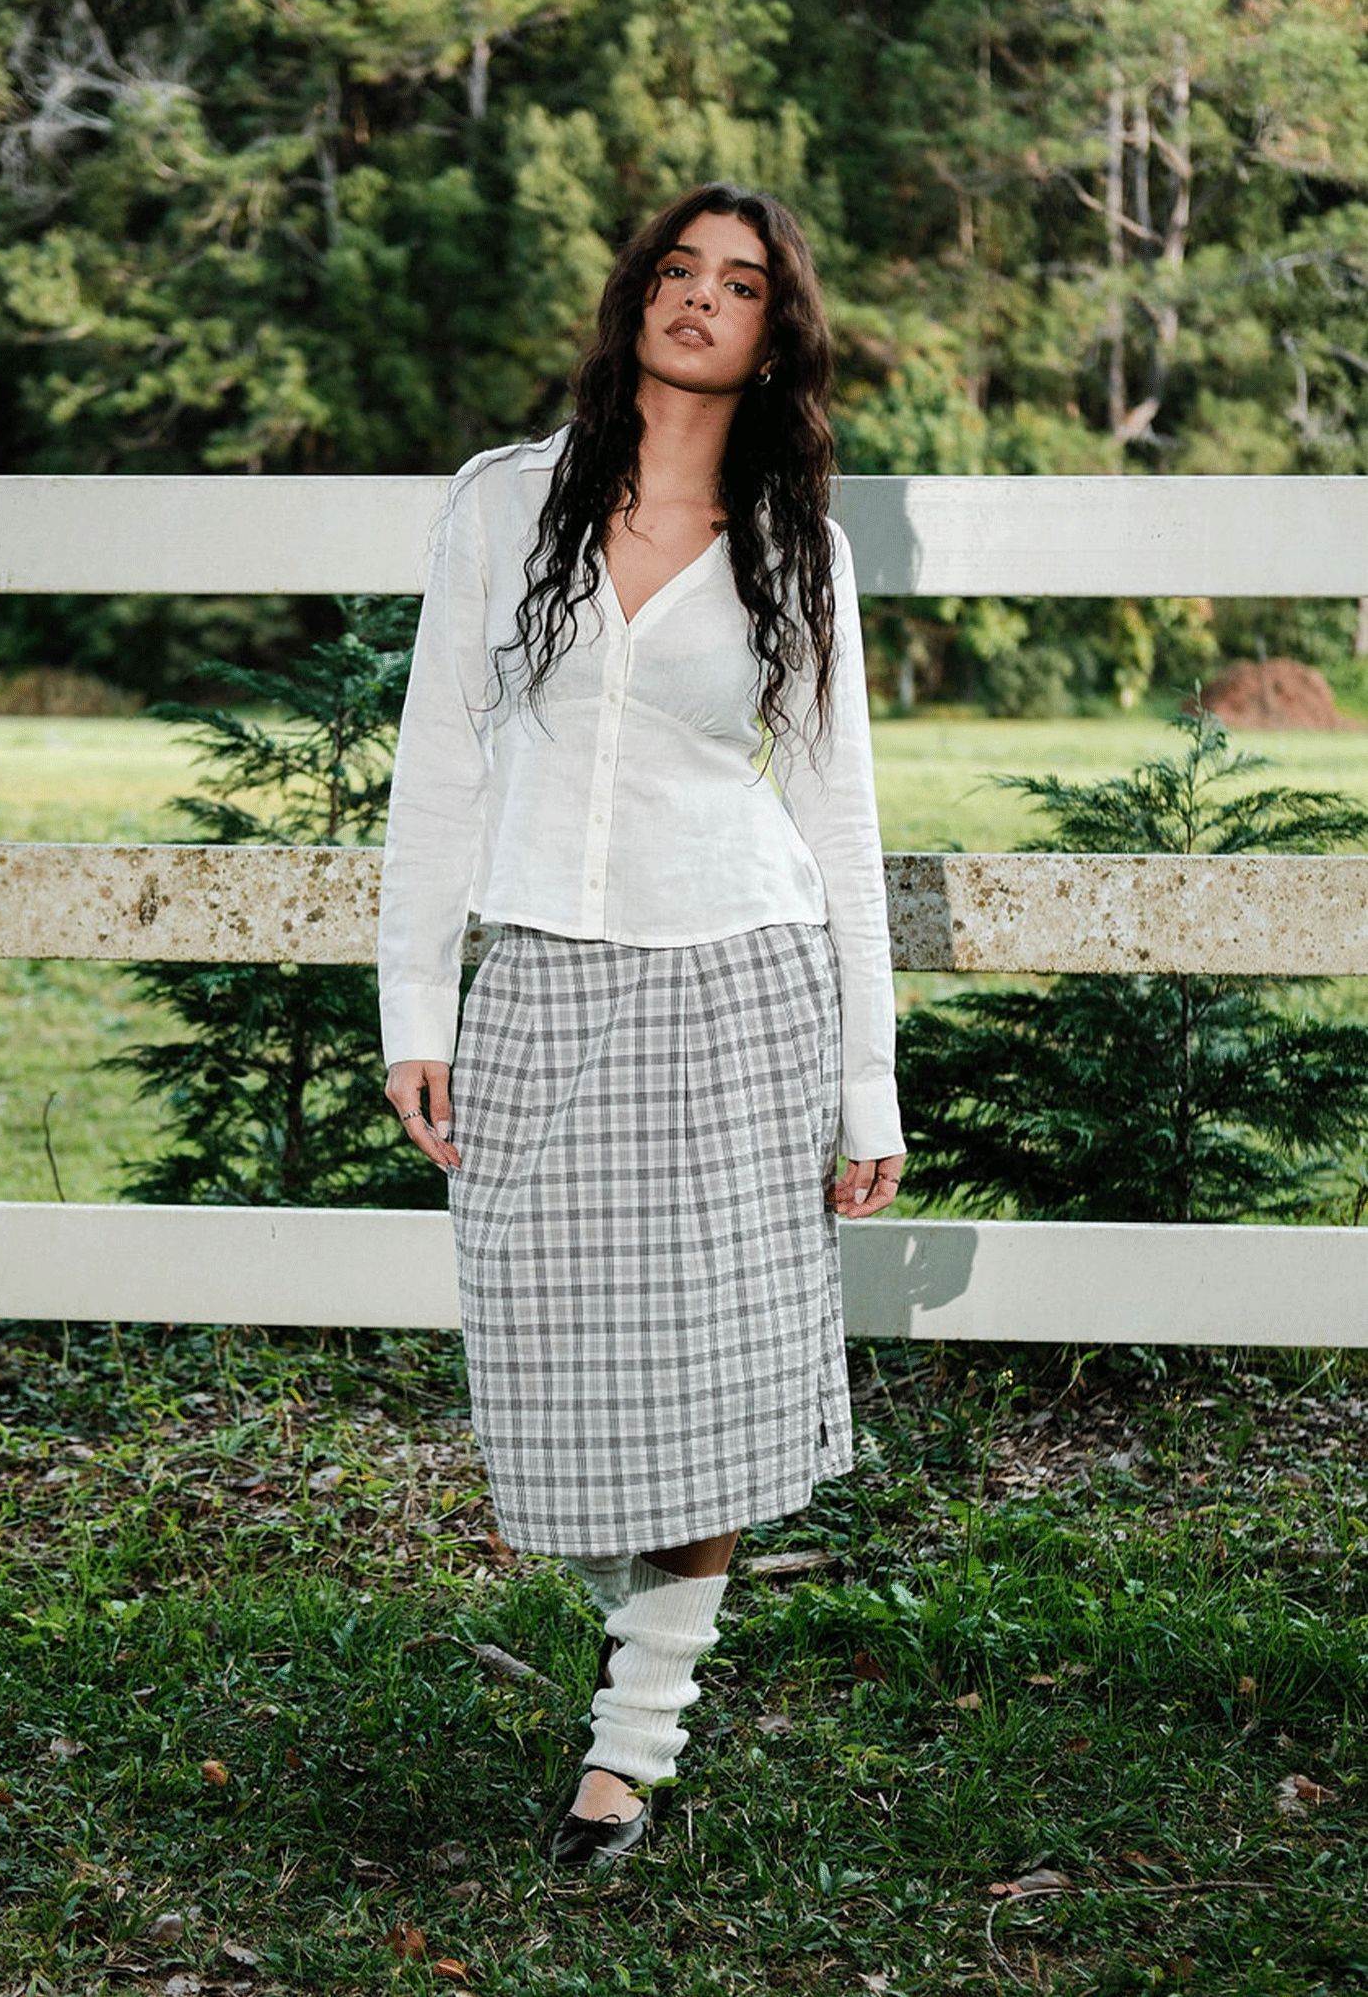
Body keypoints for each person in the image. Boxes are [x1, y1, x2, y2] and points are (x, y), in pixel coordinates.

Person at [378, 181, 905, 1867]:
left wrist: (869, 1085)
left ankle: (632, 1741)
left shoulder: (795, 545)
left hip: (740, 974)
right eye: (677, 270)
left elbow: (836, 815)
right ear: (634, 300)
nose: (698, 298)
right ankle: (646, 1622)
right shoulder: (504, 502)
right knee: (549, 1346)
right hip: (544, 971)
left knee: (713, 1372)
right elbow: (439, 764)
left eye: (738, 284)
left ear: (774, 336)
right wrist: (416, 999)